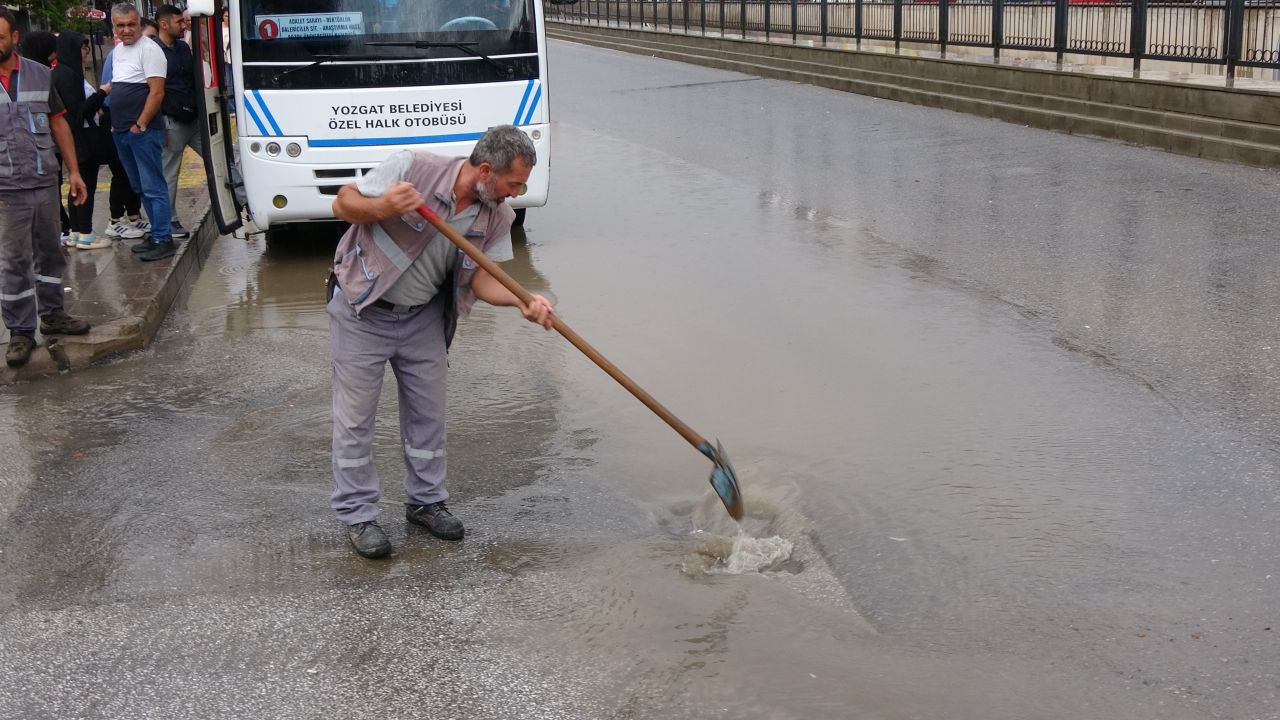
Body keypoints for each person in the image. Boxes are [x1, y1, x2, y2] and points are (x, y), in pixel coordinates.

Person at [328, 125, 553, 559]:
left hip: (424, 320)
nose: (516, 193)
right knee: (355, 421)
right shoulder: (412, 167)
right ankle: (358, 516)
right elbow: (342, 203)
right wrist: (382, 205)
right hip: (363, 311)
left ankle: (426, 503)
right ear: (486, 170)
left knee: (428, 418)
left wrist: (523, 302)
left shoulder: (497, 216)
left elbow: (484, 279)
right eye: (513, 183)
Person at [0, 7, 91, 368]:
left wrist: (75, 172)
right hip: (5, 190)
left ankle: (53, 315)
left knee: (50, 252)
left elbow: (59, 125)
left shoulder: (40, 75)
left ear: (14, 38)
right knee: (14, 261)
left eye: (0, 37)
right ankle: (20, 332)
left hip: (43, 181)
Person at [103, 3, 174, 262]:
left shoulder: (150, 50)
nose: (126, 30)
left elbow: (156, 93)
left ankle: (163, 238)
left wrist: (139, 124)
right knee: (138, 186)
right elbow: (118, 87)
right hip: (121, 131)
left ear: (139, 24)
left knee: (153, 186)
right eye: (120, 25)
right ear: (114, 27)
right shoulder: (119, 51)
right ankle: (156, 234)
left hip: (142, 132)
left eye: (131, 24)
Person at [52, 31, 112, 250]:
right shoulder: (68, 75)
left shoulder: (61, 72)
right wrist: (102, 94)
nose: (85, 53)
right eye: (82, 48)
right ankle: (85, 232)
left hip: (75, 139)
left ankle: (77, 232)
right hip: (80, 140)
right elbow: (78, 112)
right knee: (85, 184)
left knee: (76, 186)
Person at [95, 40, 149, 242]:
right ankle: (115, 220)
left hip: (126, 117)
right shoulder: (117, 55)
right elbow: (108, 94)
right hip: (117, 119)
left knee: (130, 172)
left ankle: (133, 215)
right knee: (121, 171)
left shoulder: (136, 53)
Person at [155, 4, 200, 240]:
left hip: (194, 118)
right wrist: (158, 125)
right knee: (170, 173)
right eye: (179, 22)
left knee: (221, 159)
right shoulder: (153, 51)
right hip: (170, 121)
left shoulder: (183, 47)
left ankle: (241, 200)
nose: (183, 26)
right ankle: (169, 221)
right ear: (164, 25)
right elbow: (151, 90)